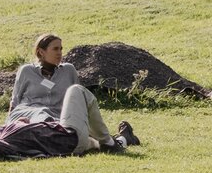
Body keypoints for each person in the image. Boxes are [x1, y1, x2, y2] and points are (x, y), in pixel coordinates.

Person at [8, 33, 138, 153]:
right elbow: (15, 102)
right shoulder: (26, 71)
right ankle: (120, 140)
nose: (60, 53)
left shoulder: (68, 70)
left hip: (61, 124)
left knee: (92, 143)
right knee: (43, 115)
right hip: (31, 119)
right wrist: (7, 127)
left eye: (61, 49)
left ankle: (123, 139)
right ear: (41, 52)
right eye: (55, 49)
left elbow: (78, 102)